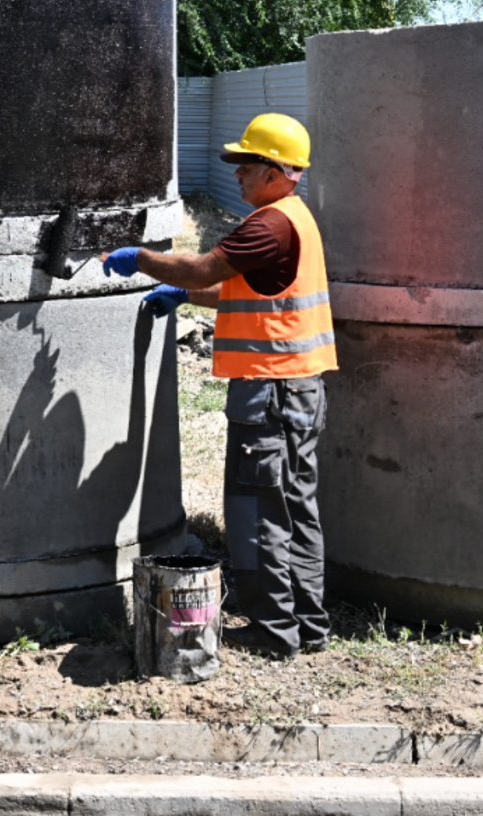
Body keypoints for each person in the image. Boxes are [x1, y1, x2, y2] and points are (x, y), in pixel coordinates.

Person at [101, 113, 337, 660]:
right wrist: (187, 301)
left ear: (278, 171)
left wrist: (141, 260)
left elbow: (203, 268)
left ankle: (274, 631)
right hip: (299, 391)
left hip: (270, 396)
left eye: (246, 165)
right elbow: (253, 297)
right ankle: (308, 625)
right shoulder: (295, 218)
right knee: (297, 510)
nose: (236, 174)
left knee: (260, 514)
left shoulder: (267, 225)